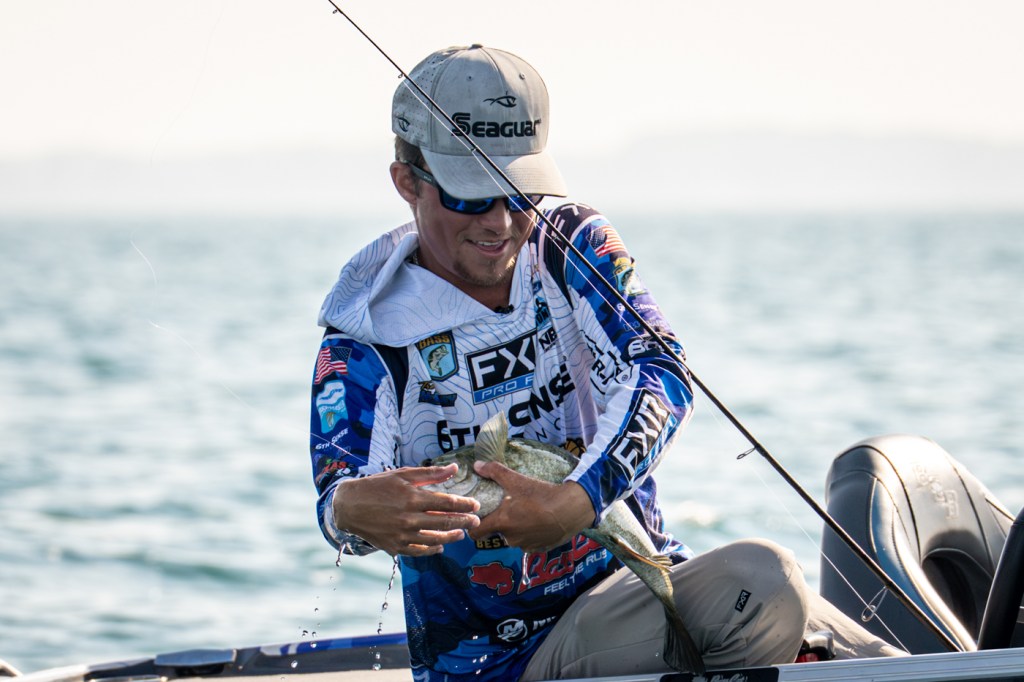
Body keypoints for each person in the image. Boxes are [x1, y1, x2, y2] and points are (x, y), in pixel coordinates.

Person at [309, 44, 902, 681]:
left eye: (520, 191)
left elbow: (665, 373)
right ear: (407, 182)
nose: (502, 221)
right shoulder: (363, 341)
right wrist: (349, 512)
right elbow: (339, 506)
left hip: (644, 581)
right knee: (765, 582)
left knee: (912, 666)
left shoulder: (572, 244)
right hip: (504, 662)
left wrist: (576, 504)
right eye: (471, 196)